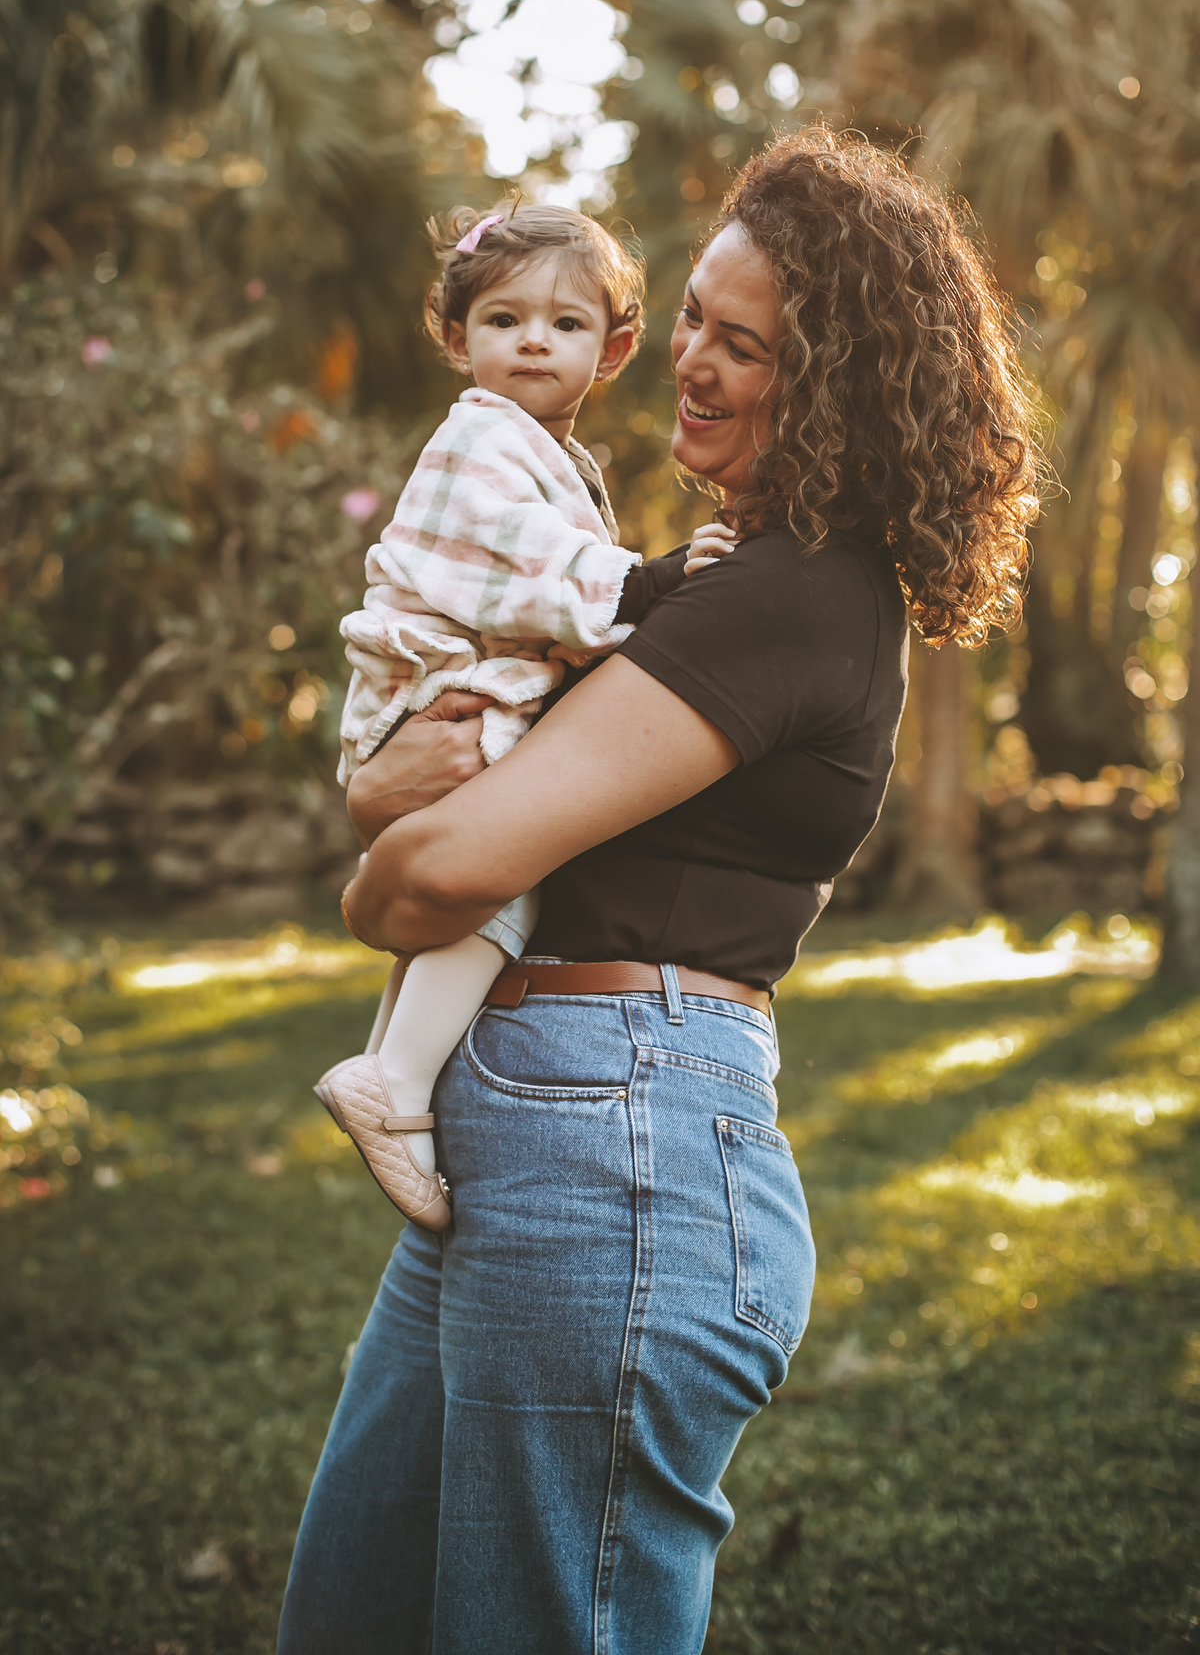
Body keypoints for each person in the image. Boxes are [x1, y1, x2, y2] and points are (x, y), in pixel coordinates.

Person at [278, 128, 1038, 1655]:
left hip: (616, 1150)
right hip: (540, 1135)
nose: (690, 360)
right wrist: (394, 812)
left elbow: (433, 872)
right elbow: (428, 799)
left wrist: (384, 857)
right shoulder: (713, 571)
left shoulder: (788, 592)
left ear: (830, 383)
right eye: (692, 314)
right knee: (355, 1617)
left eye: (743, 346)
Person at [319, 200, 734, 1227]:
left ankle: (389, 1074)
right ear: (457, 340)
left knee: (473, 889)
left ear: (612, 350)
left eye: (565, 323)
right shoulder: (479, 439)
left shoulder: (539, 448)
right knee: (507, 869)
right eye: (504, 321)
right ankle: (396, 1082)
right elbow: (509, 554)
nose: (534, 340)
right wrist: (647, 584)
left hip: (452, 690)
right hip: (435, 693)